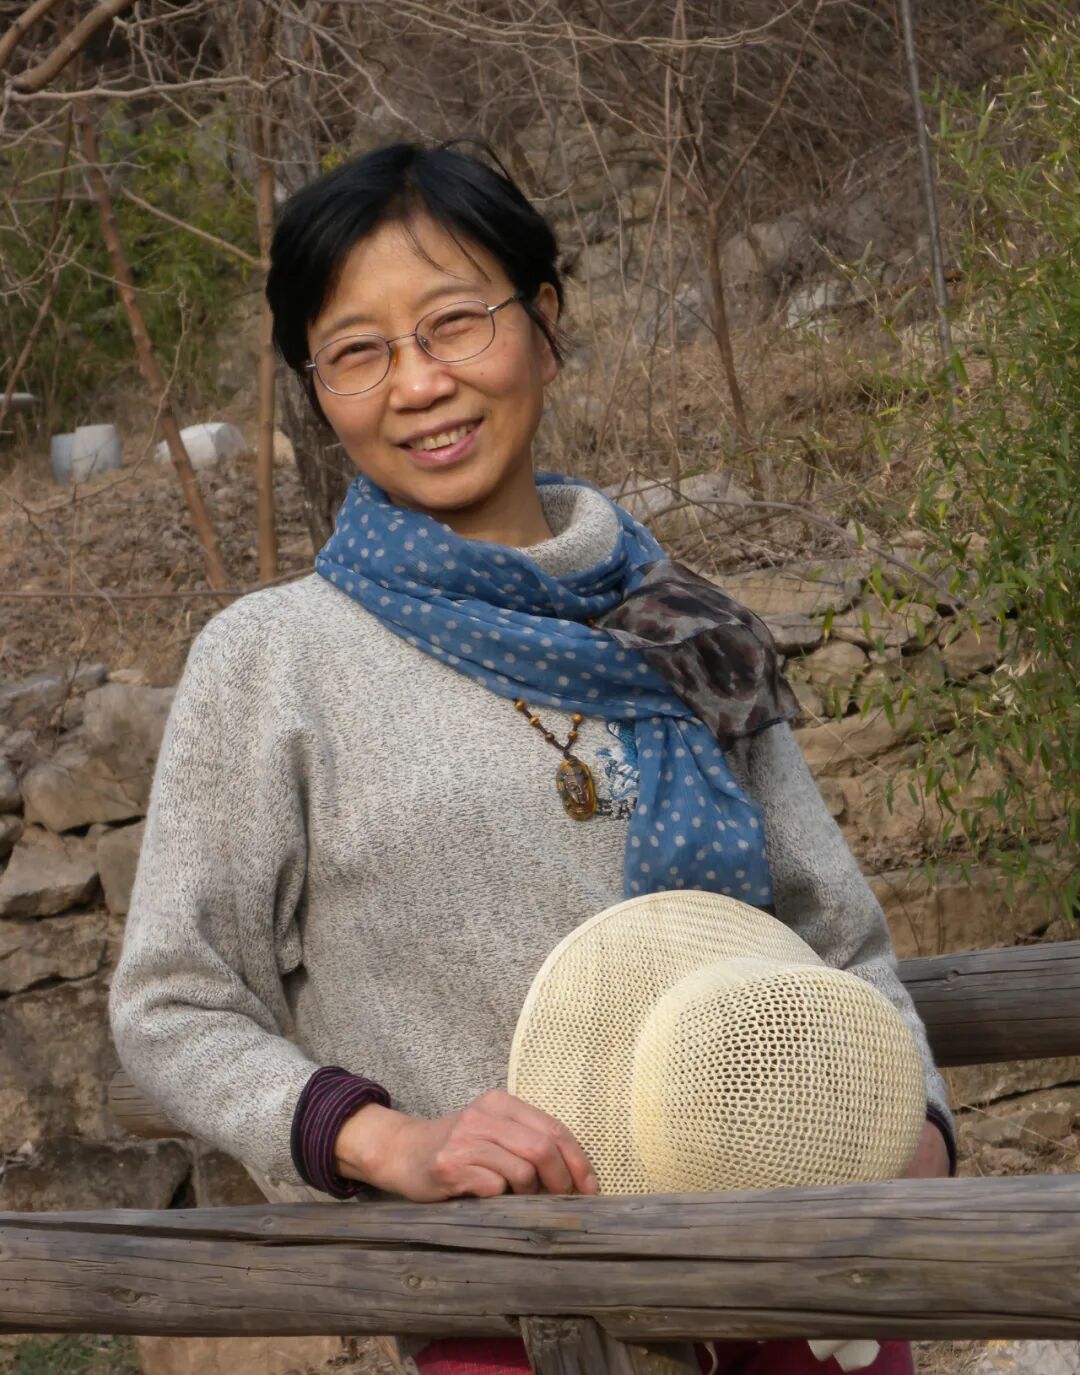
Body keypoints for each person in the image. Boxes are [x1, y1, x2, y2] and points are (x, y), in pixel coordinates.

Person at [109, 141, 954, 1375]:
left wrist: (915, 1134)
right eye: (359, 351)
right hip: (513, 1312)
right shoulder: (274, 661)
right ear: (319, 390)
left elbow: (838, 939)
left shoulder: (682, 626)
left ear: (544, 324)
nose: (419, 383)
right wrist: (387, 1139)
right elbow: (174, 1000)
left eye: (456, 323)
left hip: (803, 1285)